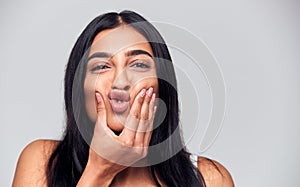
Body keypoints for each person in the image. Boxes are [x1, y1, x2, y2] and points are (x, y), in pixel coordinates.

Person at [12, 10, 234, 187]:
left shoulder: (210, 179)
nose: (120, 82)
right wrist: (98, 171)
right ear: (79, 89)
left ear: (161, 85)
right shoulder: (42, 162)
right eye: (101, 66)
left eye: (138, 64)